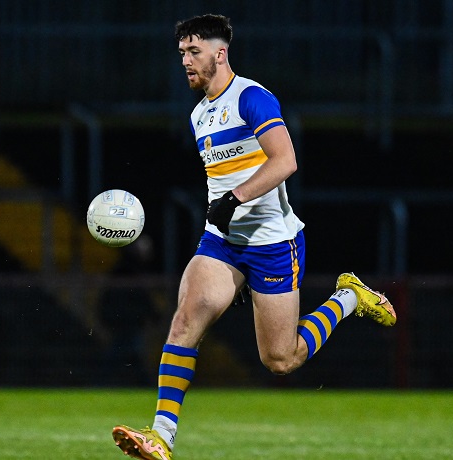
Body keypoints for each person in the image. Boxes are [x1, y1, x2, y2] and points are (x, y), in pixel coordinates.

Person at [112, 14, 396, 460]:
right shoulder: (199, 113)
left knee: (281, 360)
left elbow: (285, 160)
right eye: (182, 53)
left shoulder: (252, 97)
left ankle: (348, 298)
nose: (185, 61)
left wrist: (234, 199)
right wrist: (223, 220)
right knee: (186, 318)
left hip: (273, 244)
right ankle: (162, 436)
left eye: (194, 52)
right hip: (221, 242)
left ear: (219, 52)